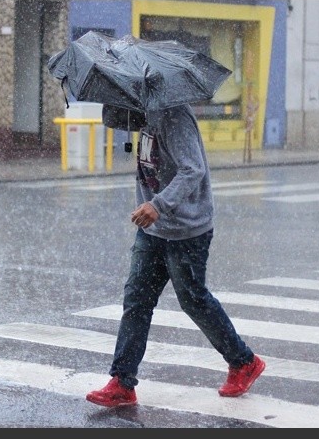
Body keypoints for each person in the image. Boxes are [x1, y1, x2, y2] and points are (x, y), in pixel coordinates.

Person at [85, 104, 265, 408]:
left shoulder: (175, 116)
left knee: (193, 299)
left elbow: (193, 168)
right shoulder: (142, 110)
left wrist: (158, 205)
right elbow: (116, 121)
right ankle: (122, 382)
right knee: (137, 300)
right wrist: (109, 95)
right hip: (153, 231)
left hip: (186, 229)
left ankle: (243, 361)